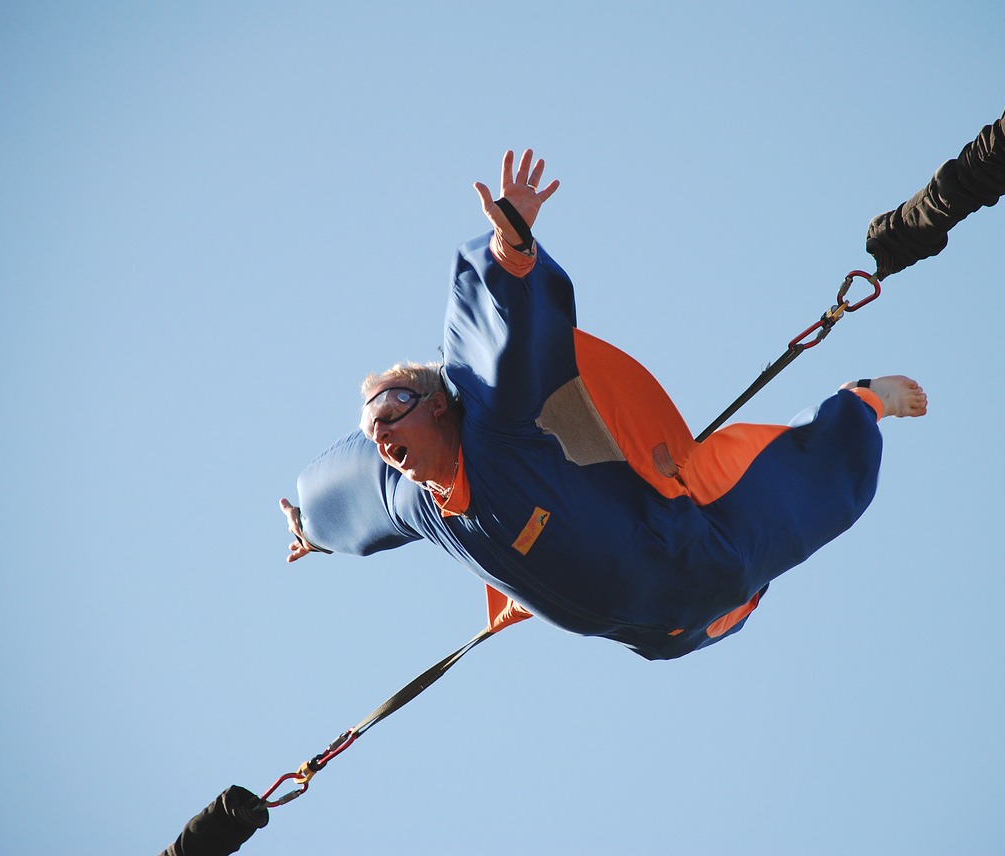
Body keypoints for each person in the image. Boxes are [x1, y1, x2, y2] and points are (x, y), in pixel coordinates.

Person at [280, 149, 927, 660]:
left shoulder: (494, 420)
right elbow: (349, 492)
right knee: (693, 623)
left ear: (437, 403)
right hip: (660, 633)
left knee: (808, 493)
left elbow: (494, 337)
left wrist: (510, 249)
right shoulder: (413, 497)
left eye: (392, 406)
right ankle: (719, 608)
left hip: (683, 547)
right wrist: (311, 524)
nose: (381, 430)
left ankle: (861, 404)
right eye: (371, 426)